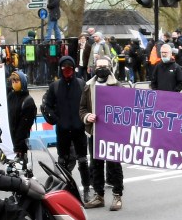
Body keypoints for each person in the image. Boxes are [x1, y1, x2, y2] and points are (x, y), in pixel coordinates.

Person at [41, 55, 90, 201]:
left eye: (69, 68)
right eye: (64, 68)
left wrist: (85, 119)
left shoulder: (82, 84)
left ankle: (86, 189)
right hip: (62, 131)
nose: (67, 71)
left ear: (74, 68)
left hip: (79, 129)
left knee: (82, 161)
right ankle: (64, 189)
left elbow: (89, 104)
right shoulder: (55, 86)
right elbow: (47, 106)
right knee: (62, 161)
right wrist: (56, 119)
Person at [80, 57, 124, 211]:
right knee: (96, 165)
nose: (101, 69)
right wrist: (87, 117)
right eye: (99, 66)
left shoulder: (118, 86)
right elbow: (82, 108)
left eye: (104, 66)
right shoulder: (88, 86)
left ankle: (117, 195)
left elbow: (125, 108)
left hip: (112, 134)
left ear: (110, 67)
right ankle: (99, 195)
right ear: (94, 68)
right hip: (95, 132)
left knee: (114, 164)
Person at [6, 70, 36, 163]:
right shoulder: (10, 96)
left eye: (17, 81)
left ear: (22, 82)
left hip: (20, 145)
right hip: (9, 142)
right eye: (13, 81)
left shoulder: (28, 101)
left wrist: (18, 147)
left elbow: (23, 128)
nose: (14, 83)